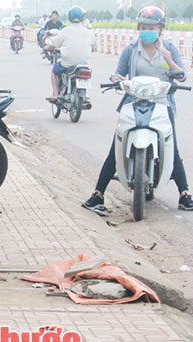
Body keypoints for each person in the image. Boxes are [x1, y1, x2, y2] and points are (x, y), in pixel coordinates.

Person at [83, 6, 193, 212]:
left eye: (152, 27)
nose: (147, 31)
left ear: (161, 29)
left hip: (162, 103)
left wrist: (169, 60)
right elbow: (118, 73)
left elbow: (182, 75)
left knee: (171, 147)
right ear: (138, 28)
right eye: (143, 27)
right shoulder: (131, 50)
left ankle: (184, 194)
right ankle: (98, 194)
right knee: (117, 147)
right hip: (133, 102)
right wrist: (117, 79)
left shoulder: (169, 49)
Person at [45, 6, 96, 101]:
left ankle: (55, 94)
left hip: (67, 64)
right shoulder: (89, 33)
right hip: (84, 65)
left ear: (69, 18)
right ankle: (84, 95)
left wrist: (47, 48)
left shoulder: (65, 31)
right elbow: (94, 48)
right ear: (82, 18)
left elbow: (53, 45)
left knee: (54, 71)